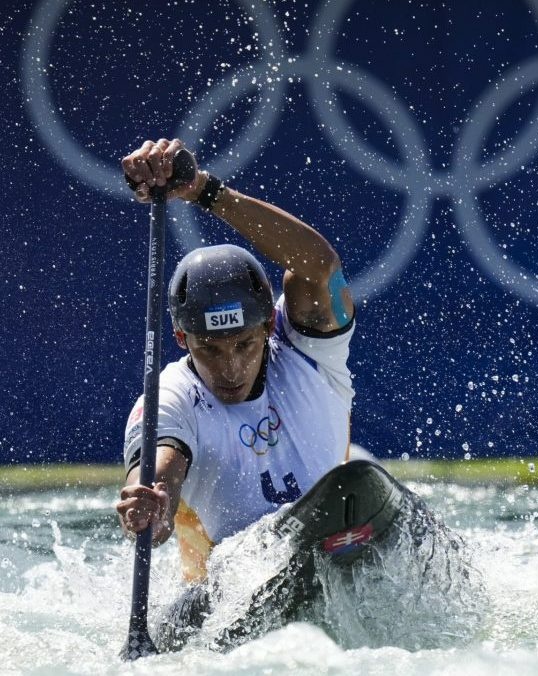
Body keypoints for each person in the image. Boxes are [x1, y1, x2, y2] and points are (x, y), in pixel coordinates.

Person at [114, 138, 357, 582]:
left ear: (268, 327)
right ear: (181, 337)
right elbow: (160, 469)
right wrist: (151, 505)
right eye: (210, 348)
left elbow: (318, 267)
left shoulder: (306, 353)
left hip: (334, 540)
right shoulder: (169, 397)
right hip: (220, 596)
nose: (230, 368)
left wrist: (205, 191)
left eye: (244, 344)